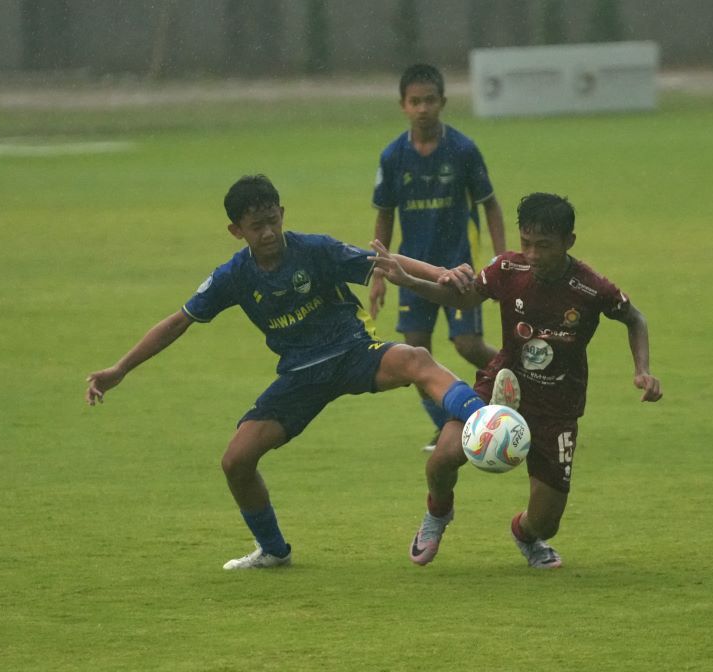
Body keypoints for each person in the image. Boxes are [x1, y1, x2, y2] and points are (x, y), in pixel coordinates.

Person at [85, 174, 487, 570]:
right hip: (300, 377)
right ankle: (273, 550)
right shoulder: (234, 276)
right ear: (235, 230)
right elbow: (178, 321)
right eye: (256, 226)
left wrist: (440, 273)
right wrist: (120, 368)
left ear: (282, 213)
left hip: (352, 352)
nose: (268, 233)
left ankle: (482, 420)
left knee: (416, 358)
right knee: (235, 462)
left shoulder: (314, 249)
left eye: (272, 220)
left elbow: (384, 262)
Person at [370, 192, 663, 569]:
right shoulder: (509, 270)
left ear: (569, 242)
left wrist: (642, 369)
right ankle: (438, 513)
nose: (533, 254)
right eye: (526, 243)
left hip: (558, 407)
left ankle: (525, 534)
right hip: (502, 385)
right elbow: (461, 301)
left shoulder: (590, 288)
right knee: (441, 460)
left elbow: (634, 318)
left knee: (546, 523)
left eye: (544, 246)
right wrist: (408, 280)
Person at [370, 63, 507, 452]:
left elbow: (490, 205)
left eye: (430, 100)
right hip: (412, 273)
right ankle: (450, 424)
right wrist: (378, 275)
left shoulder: (462, 150)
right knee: (414, 353)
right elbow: (384, 214)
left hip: (459, 269)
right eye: (415, 102)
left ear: (443, 102)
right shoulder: (393, 157)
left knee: (467, 345)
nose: (423, 108)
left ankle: (521, 382)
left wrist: (501, 259)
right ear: (403, 106)